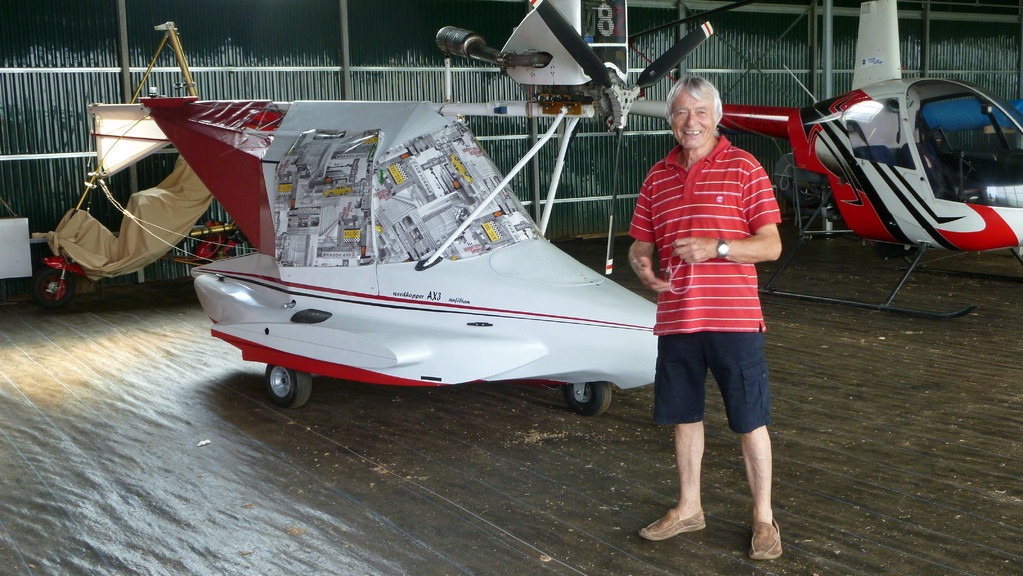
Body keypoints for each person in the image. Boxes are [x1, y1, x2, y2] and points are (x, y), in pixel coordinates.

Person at [627, 75, 783, 561]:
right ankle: (689, 507)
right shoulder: (657, 176)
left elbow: (771, 245)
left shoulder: (744, 167)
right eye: (680, 112)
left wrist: (719, 248)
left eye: (699, 112)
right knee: (683, 416)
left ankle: (764, 519)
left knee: (750, 420)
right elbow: (641, 243)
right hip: (678, 319)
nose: (689, 121)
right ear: (670, 120)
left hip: (735, 320)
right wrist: (642, 265)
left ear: (716, 116)